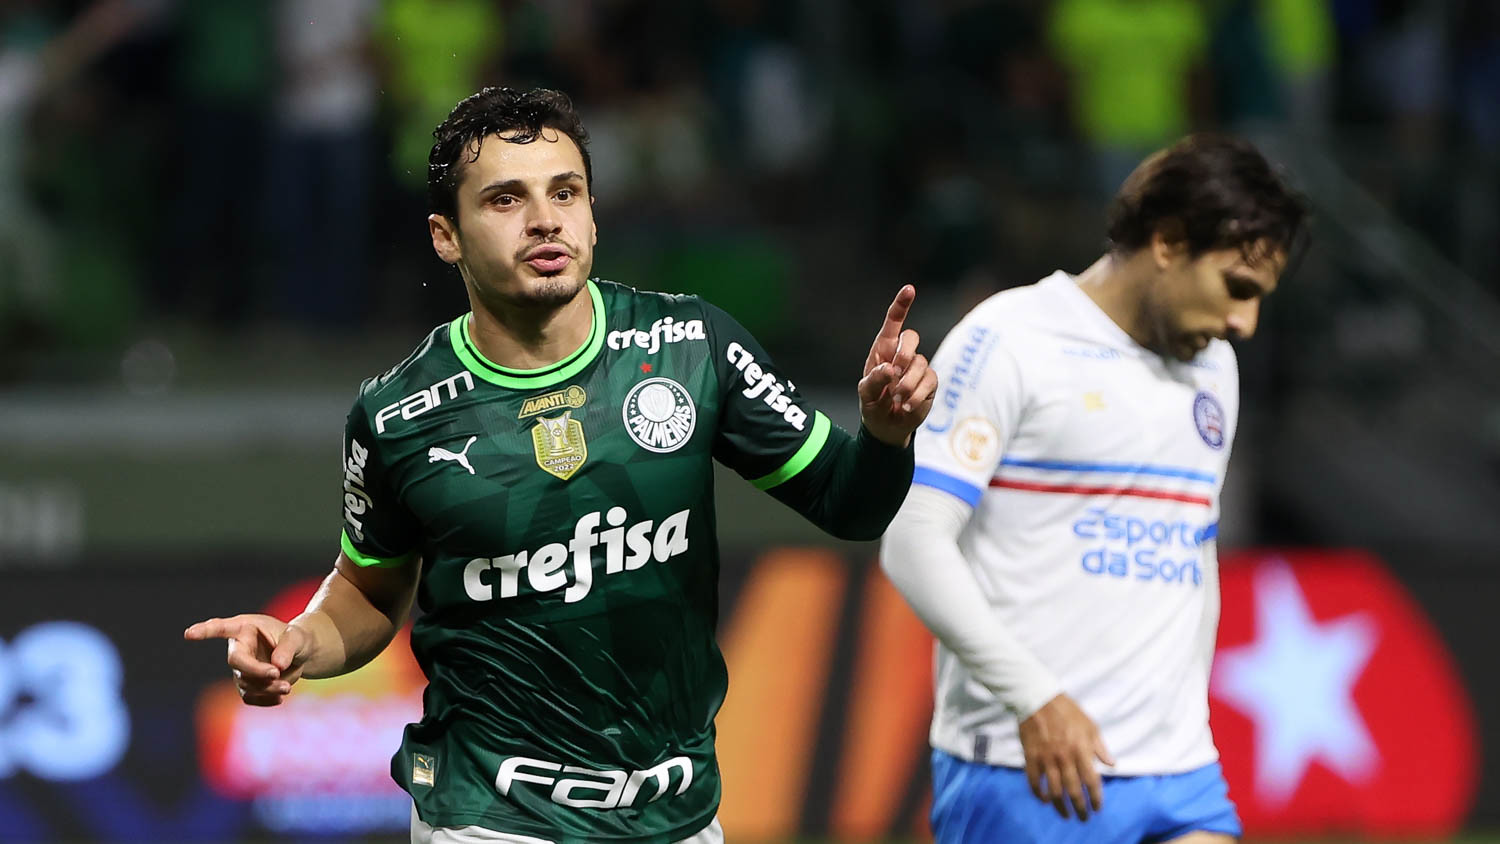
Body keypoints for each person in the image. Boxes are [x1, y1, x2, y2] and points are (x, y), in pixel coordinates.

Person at [184, 86, 937, 844]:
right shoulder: (397, 416)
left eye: (565, 192)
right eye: (506, 199)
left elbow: (853, 506)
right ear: (446, 237)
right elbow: (370, 592)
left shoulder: (691, 346)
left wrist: (883, 435)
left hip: (675, 812)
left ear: (592, 211)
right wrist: (300, 642)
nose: (545, 218)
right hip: (490, 814)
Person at [880, 134, 1307, 844]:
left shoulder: (1215, 372)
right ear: (1168, 242)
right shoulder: (1012, 339)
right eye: (1237, 289)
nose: (1245, 322)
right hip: (1027, 768)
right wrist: (1035, 699)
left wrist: (1190, 723)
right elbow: (913, 540)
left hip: (1178, 769)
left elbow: (1193, 555)